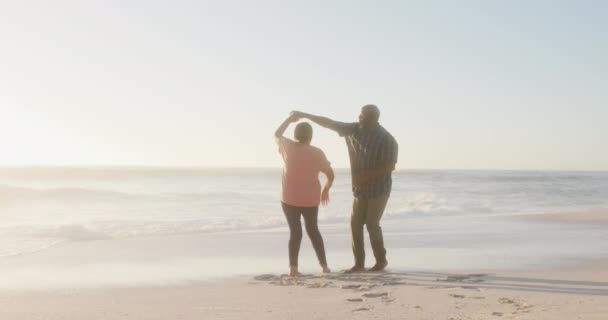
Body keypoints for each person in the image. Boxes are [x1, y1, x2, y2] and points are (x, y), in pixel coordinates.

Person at [291, 105, 398, 273]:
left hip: (379, 189)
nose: (359, 118)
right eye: (360, 115)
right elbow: (328, 123)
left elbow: (389, 166)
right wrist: (304, 115)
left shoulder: (387, 139)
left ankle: (381, 260)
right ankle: (359, 264)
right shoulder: (354, 129)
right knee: (355, 224)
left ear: (374, 119)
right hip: (360, 189)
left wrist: (366, 176)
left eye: (363, 116)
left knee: (372, 224)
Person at [275, 113, 334, 277]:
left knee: (295, 232)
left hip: (289, 198)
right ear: (311, 137)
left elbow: (276, 134)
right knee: (313, 230)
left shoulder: (287, 146)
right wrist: (326, 189)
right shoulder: (317, 152)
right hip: (310, 198)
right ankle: (324, 267)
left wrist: (288, 120)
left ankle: (293, 269)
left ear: (295, 135)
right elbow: (330, 174)